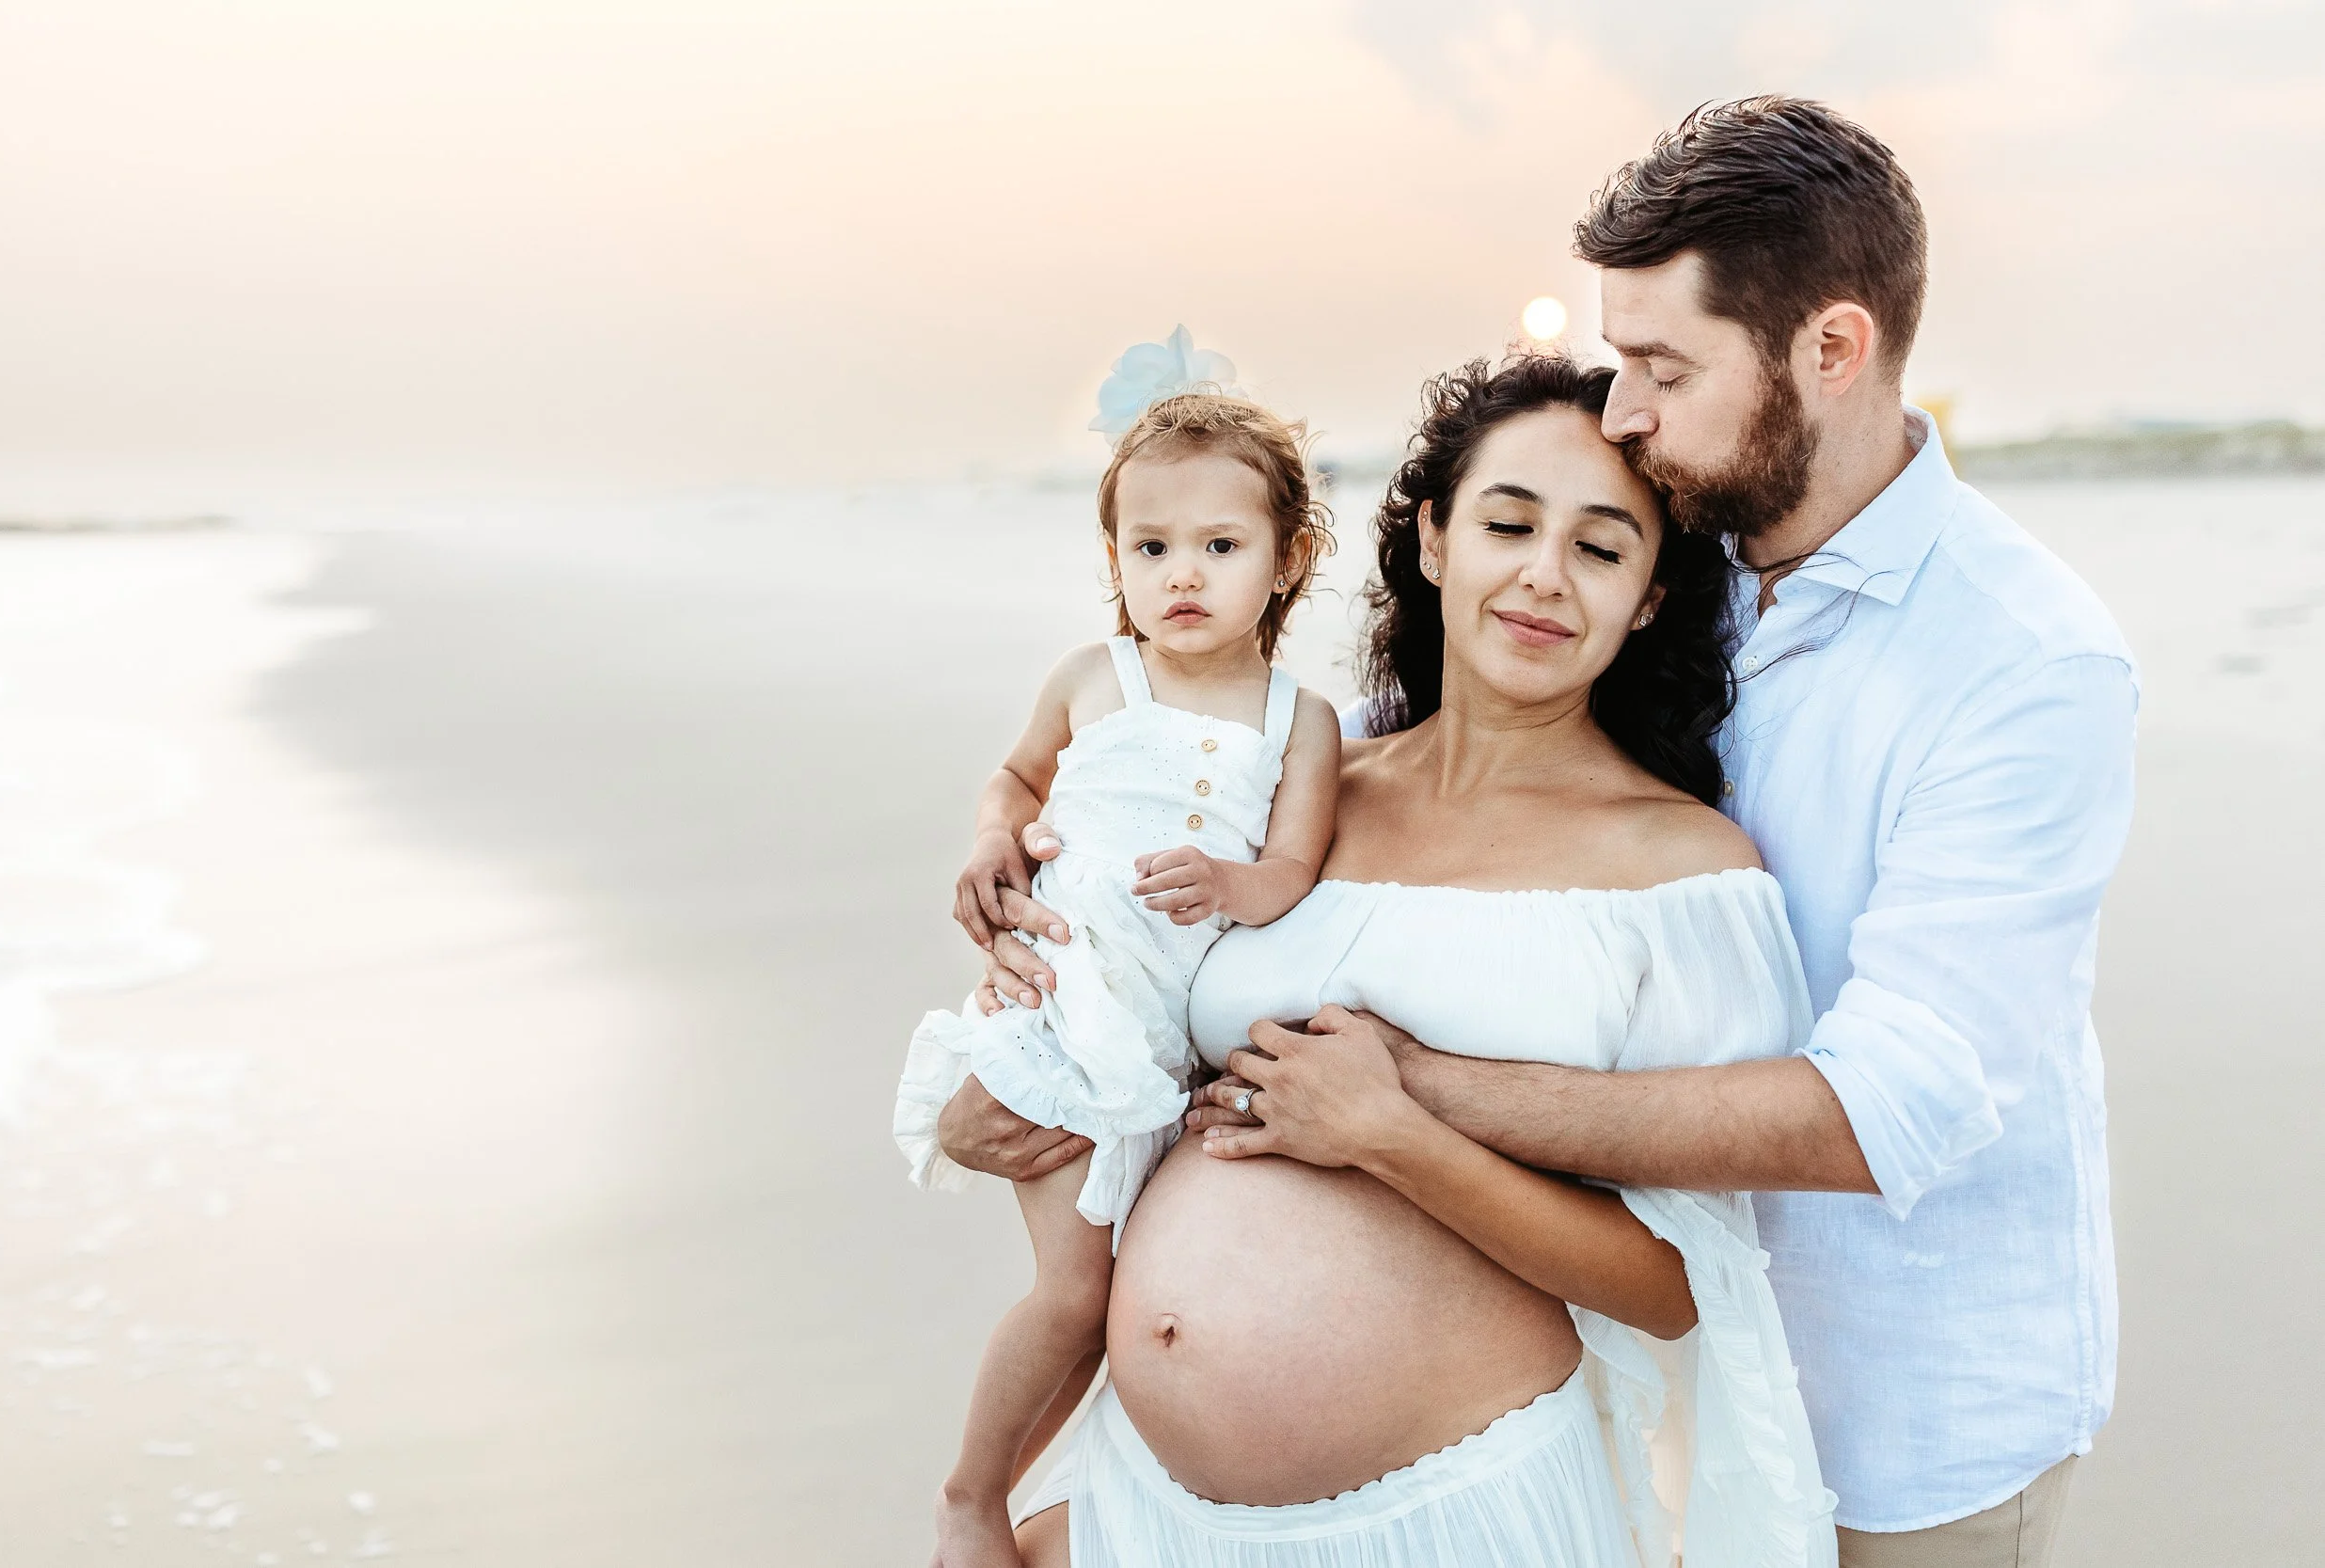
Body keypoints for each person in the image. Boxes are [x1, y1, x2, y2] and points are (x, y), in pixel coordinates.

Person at [1196, 97, 2127, 1567]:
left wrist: (1412, 1095)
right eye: (1621, 360)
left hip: (1887, 1417)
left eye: (1665, 368)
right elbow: (1451, 764)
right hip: (1608, 1407)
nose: (1624, 412)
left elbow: (1885, 1108)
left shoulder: (2023, 662)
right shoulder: (1679, 550)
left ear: (1832, 350)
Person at [952, 353, 1839, 1567]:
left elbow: (1678, 1285)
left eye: (1599, 546)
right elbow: (1121, 962)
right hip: (1146, 1504)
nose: (1543, 573)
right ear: (1432, 539)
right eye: (1508, 524)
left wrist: (1394, 1132)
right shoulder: (1288, 799)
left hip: (1451, 1522)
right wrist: (1013, 1020)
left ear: (1648, 596)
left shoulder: (1680, 871)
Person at [893, 378, 1343, 1568]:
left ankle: (1029, 1498)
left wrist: (1232, 882)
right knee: (1072, 1294)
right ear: (1113, 560)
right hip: (1063, 1003)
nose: (1181, 574)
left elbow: (1291, 866)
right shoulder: (1095, 676)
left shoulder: (1300, 719)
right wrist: (991, 840)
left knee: (1108, 1310)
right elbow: (1016, 778)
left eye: (1219, 546)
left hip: (1157, 1047)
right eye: (1151, 547)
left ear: (1288, 559)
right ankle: (968, 1497)